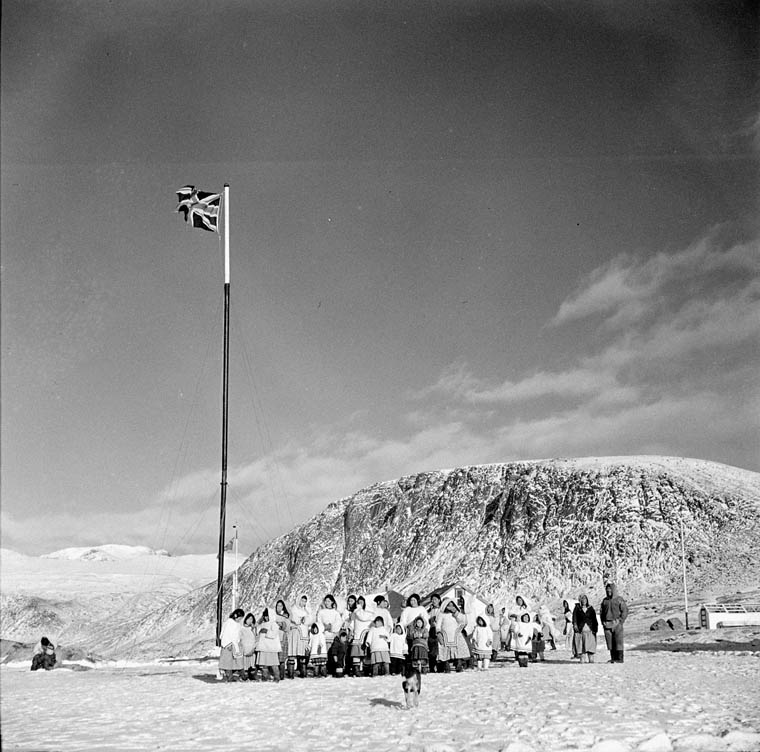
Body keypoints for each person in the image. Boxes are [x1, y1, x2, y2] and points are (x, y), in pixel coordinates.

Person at [600, 582, 628, 663]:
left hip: (617, 623)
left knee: (618, 641)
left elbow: (625, 611)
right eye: (607, 590)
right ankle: (613, 658)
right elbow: (601, 612)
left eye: (610, 590)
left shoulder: (619, 599)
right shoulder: (605, 601)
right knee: (610, 642)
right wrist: (603, 622)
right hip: (607, 624)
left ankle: (619, 658)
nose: (608, 591)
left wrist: (621, 620)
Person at [348, 595, 375, 677]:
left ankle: (366, 669)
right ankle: (356, 669)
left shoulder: (370, 612)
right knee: (357, 652)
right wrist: (351, 631)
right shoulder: (355, 612)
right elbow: (352, 622)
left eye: (361, 602)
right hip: (358, 634)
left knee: (367, 652)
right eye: (358, 602)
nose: (360, 604)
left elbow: (365, 618)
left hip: (367, 633)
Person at [287, 594, 311, 678]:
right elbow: (291, 619)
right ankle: (290, 674)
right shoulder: (293, 609)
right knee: (292, 653)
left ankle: (303, 673)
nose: (303, 603)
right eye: (302, 600)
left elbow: (309, 620)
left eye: (305, 601)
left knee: (302, 654)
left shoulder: (307, 611)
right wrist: (299, 620)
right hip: (295, 633)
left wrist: (306, 620)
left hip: (304, 634)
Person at [218, 608, 245, 681]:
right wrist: (227, 644)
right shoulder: (229, 623)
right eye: (239, 618)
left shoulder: (237, 624)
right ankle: (229, 677)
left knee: (236, 661)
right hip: (228, 645)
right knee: (227, 662)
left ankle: (239, 675)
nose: (240, 620)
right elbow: (225, 634)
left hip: (235, 645)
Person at [255, 608, 282, 681]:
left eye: (267, 616)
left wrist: (266, 631)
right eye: (265, 616)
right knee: (264, 665)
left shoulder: (274, 624)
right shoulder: (262, 624)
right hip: (263, 647)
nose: (266, 617)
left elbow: (274, 634)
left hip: (271, 648)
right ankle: (265, 677)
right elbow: (257, 632)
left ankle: (277, 677)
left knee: (274, 664)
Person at [572, 594, 598, 663]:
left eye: (585, 599)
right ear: (580, 600)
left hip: (590, 629)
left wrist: (595, 628)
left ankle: (591, 659)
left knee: (590, 645)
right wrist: (575, 625)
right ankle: (582, 659)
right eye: (582, 599)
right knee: (581, 645)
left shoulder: (590, 608)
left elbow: (594, 619)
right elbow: (574, 618)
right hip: (581, 630)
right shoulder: (577, 608)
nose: (584, 600)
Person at [274, 600, 291, 680]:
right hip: (274, 637)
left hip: (282, 637)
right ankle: (275, 674)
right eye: (278, 606)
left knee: (282, 658)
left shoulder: (286, 616)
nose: (279, 607)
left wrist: (282, 624)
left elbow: (287, 627)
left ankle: (281, 675)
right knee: (275, 657)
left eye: (281, 606)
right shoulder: (273, 615)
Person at [240, 612, 258, 680]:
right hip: (244, 647)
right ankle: (244, 675)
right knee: (245, 663)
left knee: (252, 663)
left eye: (251, 619)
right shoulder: (242, 628)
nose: (250, 621)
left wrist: (254, 629)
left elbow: (256, 638)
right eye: (249, 619)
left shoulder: (254, 629)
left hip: (252, 648)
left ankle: (252, 675)